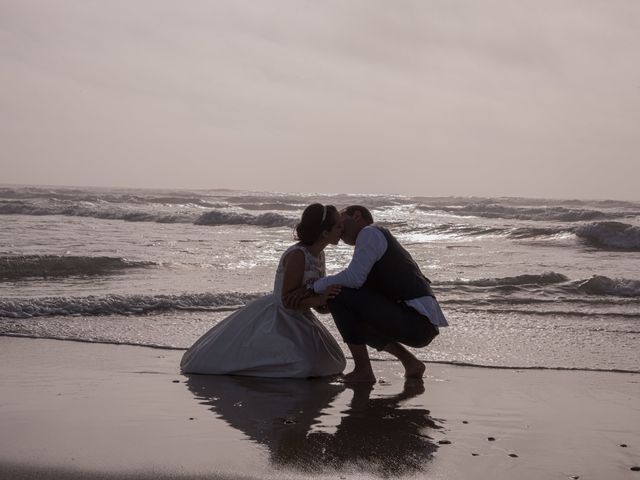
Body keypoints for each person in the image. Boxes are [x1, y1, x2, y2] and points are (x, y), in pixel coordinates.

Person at [180, 203, 346, 377]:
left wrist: (329, 300)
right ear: (325, 233)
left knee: (333, 362)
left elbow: (311, 295)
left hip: (302, 317)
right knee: (302, 365)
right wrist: (320, 299)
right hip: (281, 316)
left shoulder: (319, 254)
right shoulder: (298, 255)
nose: (342, 230)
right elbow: (286, 300)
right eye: (338, 226)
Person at [299, 205, 448, 383]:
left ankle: (363, 371)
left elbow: (353, 278)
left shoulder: (370, 233)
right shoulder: (372, 242)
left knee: (340, 295)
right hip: (418, 324)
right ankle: (410, 363)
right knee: (344, 302)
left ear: (356, 216)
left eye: (340, 219)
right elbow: (358, 291)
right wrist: (326, 300)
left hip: (417, 322)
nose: (338, 226)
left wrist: (313, 287)